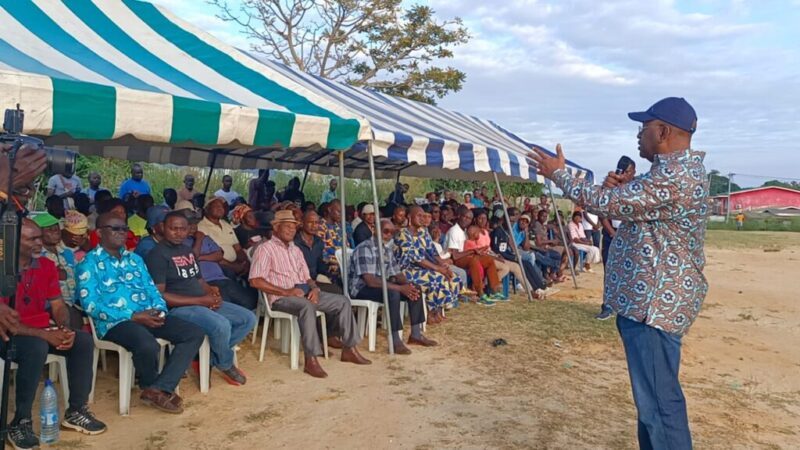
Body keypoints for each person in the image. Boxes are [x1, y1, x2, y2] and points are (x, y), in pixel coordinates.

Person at [531, 97, 709, 449]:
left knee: (660, 406)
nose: (638, 136)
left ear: (663, 131)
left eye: (642, 129)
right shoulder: (669, 174)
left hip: (653, 308)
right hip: (646, 305)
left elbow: (603, 205)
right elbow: (626, 208)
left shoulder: (675, 177)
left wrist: (558, 174)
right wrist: (620, 189)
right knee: (652, 406)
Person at [79, 213, 205, 414]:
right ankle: (150, 384)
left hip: (148, 315)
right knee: (147, 343)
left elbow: (153, 290)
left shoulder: (135, 259)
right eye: (115, 228)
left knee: (194, 333)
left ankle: (158, 388)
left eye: (124, 229)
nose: (121, 233)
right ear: (99, 232)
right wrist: (132, 315)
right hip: (115, 322)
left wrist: (158, 311)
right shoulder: (89, 263)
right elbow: (91, 305)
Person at [1, 219, 106, 449]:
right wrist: (46, 336)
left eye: (40, 237)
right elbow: (8, 322)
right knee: (35, 348)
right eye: (32, 239)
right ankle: (21, 422)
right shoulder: (3, 268)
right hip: (7, 334)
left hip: (40, 329)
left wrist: (63, 328)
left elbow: (58, 305)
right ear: (14, 241)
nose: (40, 243)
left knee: (83, 341)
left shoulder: (46, 266)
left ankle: (76, 411)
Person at [249, 210, 371, 378]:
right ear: (276, 228)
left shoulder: (295, 250)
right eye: (287, 226)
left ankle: (349, 349)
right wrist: (286, 291)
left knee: (342, 301)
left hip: (305, 293)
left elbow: (307, 277)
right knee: (306, 306)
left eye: (294, 227)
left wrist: (314, 289)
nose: (292, 230)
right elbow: (255, 280)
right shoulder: (265, 249)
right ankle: (311, 359)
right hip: (281, 298)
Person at [146, 212, 255, 386]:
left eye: (183, 229)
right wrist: (201, 301)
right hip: (178, 308)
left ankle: (209, 358)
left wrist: (211, 293)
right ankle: (225, 363)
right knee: (221, 325)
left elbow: (199, 280)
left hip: (201, 301)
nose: (178, 233)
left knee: (247, 318)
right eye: (173, 228)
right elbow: (160, 295)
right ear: (164, 228)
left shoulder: (187, 250)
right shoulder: (157, 255)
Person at [350, 219, 437, 354]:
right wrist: (401, 288)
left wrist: (408, 286)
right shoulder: (364, 248)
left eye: (392, 232)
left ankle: (416, 334)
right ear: (375, 230)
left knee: (415, 288)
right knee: (393, 293)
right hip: (362, 288)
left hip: (381, 285)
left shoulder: (386, 250)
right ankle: (395, 340)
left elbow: (397, 274)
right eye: (386, 231)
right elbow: (370, 280)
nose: (389, 235)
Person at [395, 206, 462, 322]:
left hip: (423, 268)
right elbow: (417, 259)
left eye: (424, 216)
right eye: (419, 216)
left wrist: (443, 265)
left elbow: (433, 253)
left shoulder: (423, 232)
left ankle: (439, 310)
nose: (422, 218)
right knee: (436, 278)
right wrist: (438, 269)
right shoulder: (403, 234)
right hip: (405, 271)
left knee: (454, 277)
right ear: (410, 217)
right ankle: (431, 312)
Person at [183, 210, 259, 311]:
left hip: (222, 278)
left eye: (195, 223)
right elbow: (192, 258)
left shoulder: (206, 238)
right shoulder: (181, 241)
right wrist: (199, 240)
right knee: (226, 307)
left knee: (250, 302)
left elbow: (219, 255)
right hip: (205, 282)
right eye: (189, 224)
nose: (193, 227)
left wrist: (200, 257)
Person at [34, 213, 84, 329]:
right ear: (37, 233)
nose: (55, 231)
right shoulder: (37, 255)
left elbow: (78, 277)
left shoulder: (67, 253)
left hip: (73, 302)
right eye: (49, 229)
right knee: (71, 315)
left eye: (56, 227)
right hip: (49, 305)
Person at [445, 206, 503, 305]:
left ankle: (494, 290)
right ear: (459, 216)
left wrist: (477, 251)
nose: (467, 220)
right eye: (465, 217)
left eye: (469, 218)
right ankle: (480, 293)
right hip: (454, 259)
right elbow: (455, 256)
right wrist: (473, 251)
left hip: (465, 256)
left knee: (488, 260)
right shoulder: (454, 231)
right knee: (473, 261)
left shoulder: (463, 230)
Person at [198, 196, 249, 277]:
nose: (220, 208)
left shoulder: (225, 224)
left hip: (235, 263)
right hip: (219, 265)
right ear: (207, 209)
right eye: (216, 206)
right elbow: (212, 255)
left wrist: (245, 262)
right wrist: (233, 266)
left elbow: (237, 248)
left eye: (222, 206)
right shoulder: (201, 227)